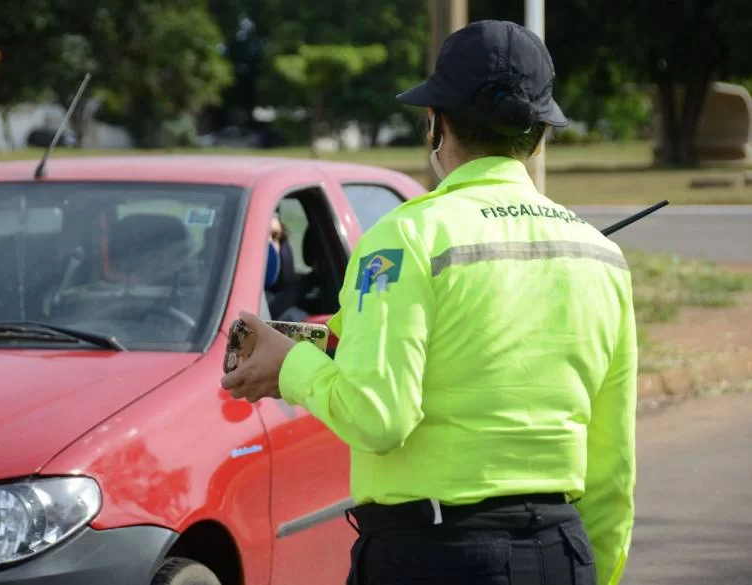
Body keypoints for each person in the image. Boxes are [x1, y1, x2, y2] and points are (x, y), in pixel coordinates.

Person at [221, 19, 636, 585]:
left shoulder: (407, 237)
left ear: (437, 126)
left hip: (434, 555)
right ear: (539, 136)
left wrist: (290, 365)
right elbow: (613, 470)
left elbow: (377, 416)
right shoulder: (602, 255)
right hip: (562, 551)